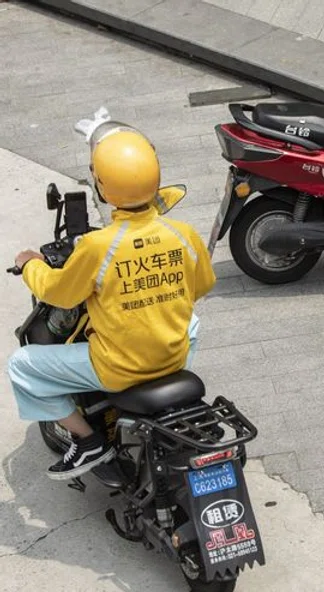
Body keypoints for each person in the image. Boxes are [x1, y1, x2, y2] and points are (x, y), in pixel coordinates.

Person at [7, 118, 216, 480]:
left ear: (101, 186)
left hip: (118, 368)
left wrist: (30, 266)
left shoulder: (96, 246)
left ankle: (87, 440)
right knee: (192, 321)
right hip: (175, 354)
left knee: (22, 365)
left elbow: (58, 292)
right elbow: (200, 286)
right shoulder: (182, 233)